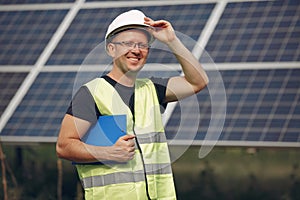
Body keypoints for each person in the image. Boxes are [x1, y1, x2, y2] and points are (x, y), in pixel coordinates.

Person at [56, 9, 209, 200]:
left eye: (142, 45)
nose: (136, 50)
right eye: (128, 43)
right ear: (111, 49)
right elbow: (64, 146)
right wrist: (108, 153)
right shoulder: (92, 93)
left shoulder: (153, 89)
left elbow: (198, 81)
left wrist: (171, 41)